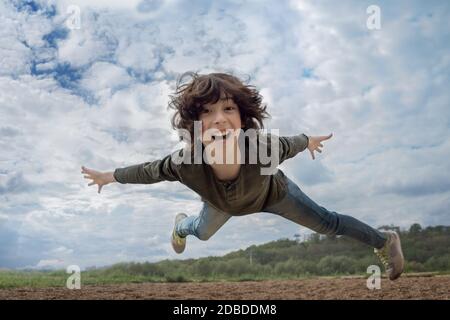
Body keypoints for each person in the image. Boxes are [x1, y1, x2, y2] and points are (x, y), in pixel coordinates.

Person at [81, 72, 404, 280]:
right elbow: (149, 170)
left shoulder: (263, 146)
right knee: (202, 233)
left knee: (328, 223)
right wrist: (109, 176)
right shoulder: (185, 162)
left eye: (228, 109)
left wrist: (310, 140)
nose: (219, 119)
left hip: (274, 195)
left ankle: (385, 241)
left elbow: (293, 142)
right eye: (206, 113)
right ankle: (181, 225)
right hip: (221, 204)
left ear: (244, 117)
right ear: (193, 124)